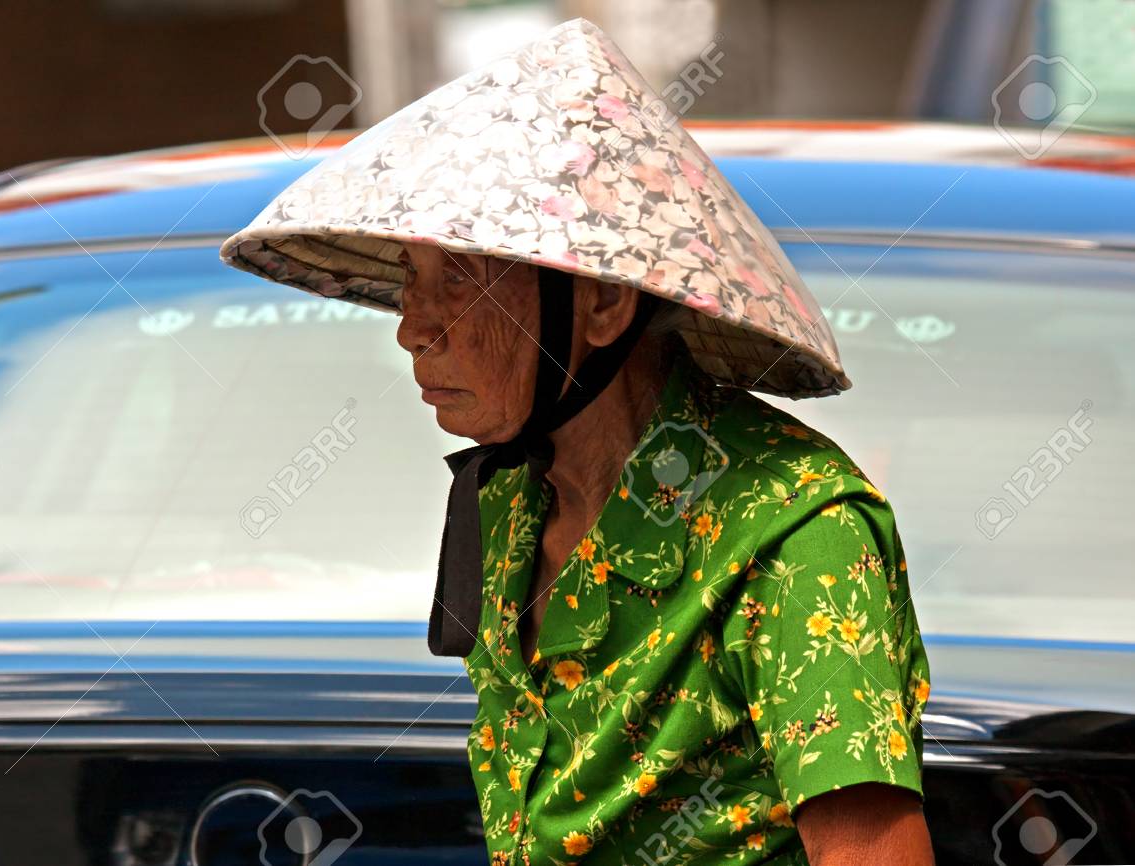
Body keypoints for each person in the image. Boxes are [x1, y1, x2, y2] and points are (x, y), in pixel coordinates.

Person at [222, 17, 933, 865]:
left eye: (461, 279)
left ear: (602, 306)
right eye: (412, 281)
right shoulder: (513, 503)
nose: (413, 328)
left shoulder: (793, 535)